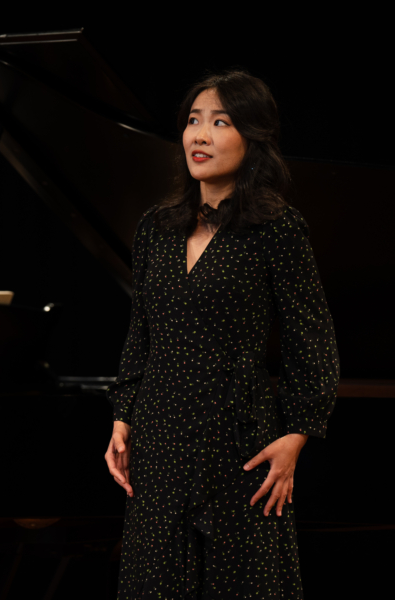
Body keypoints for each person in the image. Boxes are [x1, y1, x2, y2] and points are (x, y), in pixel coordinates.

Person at [104, 71, 339, 599]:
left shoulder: (278, 229)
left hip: (237, 439)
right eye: (192, 121)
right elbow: (140, 329)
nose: (200, 135)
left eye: (219, 122)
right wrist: (122, 414)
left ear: (252, 138)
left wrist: (297, 436)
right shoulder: (154, 228)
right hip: (159, 438)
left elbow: (313, 338)